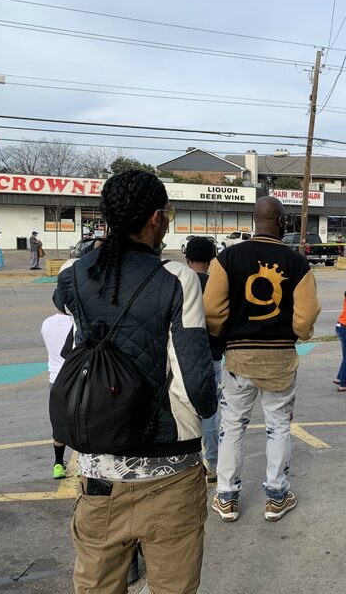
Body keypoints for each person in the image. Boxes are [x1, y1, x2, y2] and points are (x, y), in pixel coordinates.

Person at [53, 169, 218, 593]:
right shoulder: (177, 279)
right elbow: (198, 387)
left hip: (98, 474)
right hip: (170, 472)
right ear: (155, 219)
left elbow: (63, 300)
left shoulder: (73, 274)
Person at [205, 196, 320, 523]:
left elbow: (212, 310)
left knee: (232, 427)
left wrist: (227, 333)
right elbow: (307, 314)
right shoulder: (297, 262)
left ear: (255, 220)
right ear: (281, 222)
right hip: (281, 358)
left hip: (239, 357)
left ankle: (226, 498)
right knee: (279, 427)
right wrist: (296, 334)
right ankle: (276, 496)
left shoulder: (226, 258)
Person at [185, 235, 226, 483]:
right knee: (211, 413)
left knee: (186, 411)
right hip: (213, 356)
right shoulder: (216, 286)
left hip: (185, 357)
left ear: (188, 259)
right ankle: (213, 463)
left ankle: (190, 463)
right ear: (211, 260)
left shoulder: (180, 284)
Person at [41, 310, 74, 479]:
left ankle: (58, 465)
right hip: (74, 378)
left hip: (55, 380)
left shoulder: (46, 323)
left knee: (58, 424)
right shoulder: (76, 323)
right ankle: (83, 466)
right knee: (81, 423)